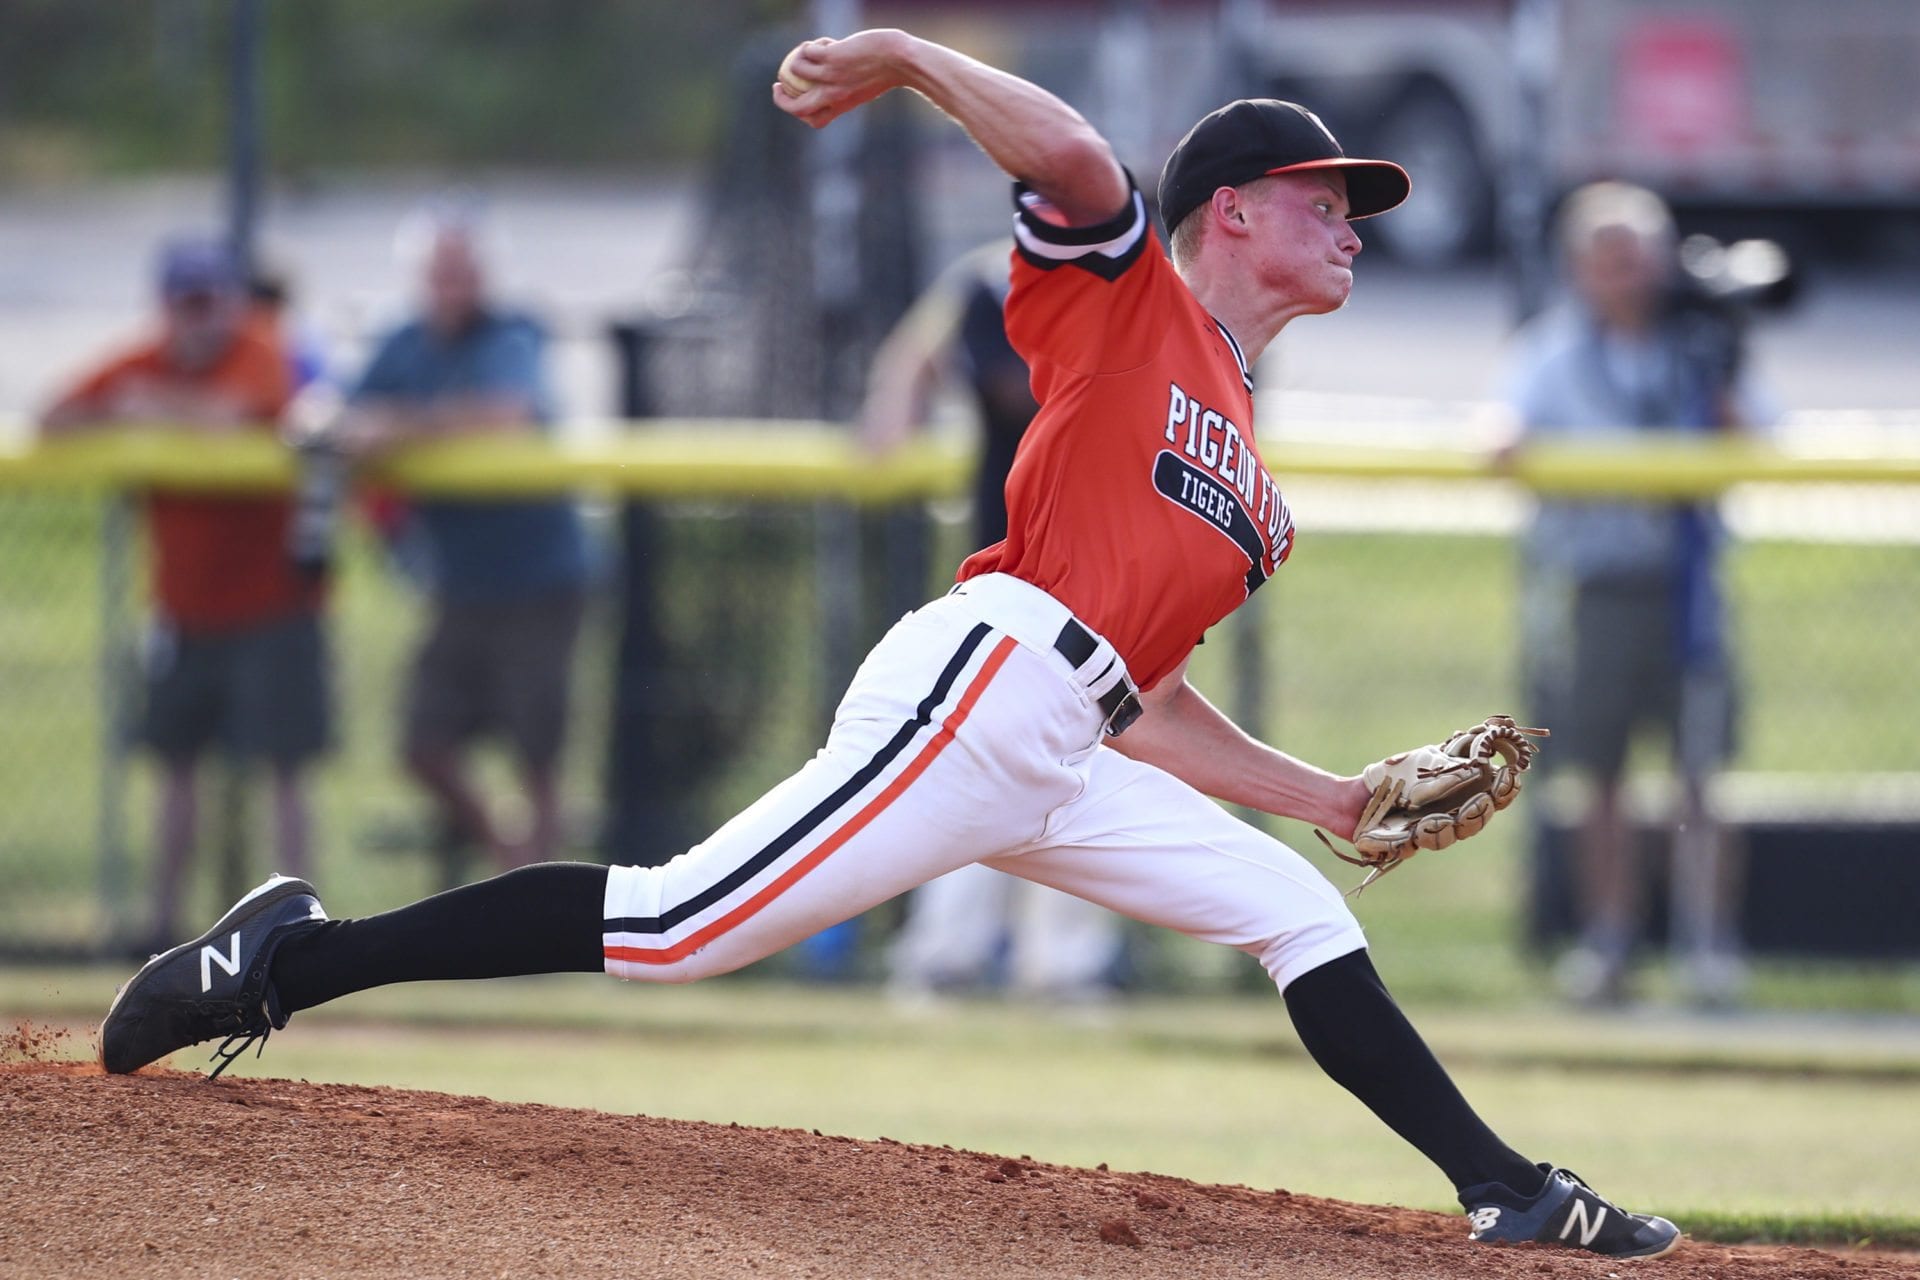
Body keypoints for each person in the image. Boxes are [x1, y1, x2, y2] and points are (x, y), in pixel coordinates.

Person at [100, 31, 1679, 1259]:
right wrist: (910, 58)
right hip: (984, 686)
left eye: (1355, 209)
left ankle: (1507, 1191)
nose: (1351, 226)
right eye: (1326, 199)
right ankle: (280, 962)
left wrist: (1325, 799)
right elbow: (1069, 156)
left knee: (1291, 908)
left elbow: (1151, 703)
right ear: (1234, 213)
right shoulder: (1131, 304)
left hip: (1065, 737)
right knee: (675, 930)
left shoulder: (1257, 487)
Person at [1504, 182, 1760, 1008]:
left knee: (1701, 776)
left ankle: (1709, 944)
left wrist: (1729, 355)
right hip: (1599, 585)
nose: (1629, 273)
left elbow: (1758, 433)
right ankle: (1607, 938)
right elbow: (1503, 426)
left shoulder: (1696, 344)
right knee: (1601, 774)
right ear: (1580, 268)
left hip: (1689, 586)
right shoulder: (1554, 350)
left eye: (1640, 254)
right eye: (1610, 257)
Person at [40, 236, 330, 946]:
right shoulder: (145, 360)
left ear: (233, 300)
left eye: (213, 300)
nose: (203, 318)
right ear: (167, 307)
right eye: (188, 302)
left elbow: (240, 411)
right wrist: (137, 405)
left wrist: (146, 406)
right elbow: (55, 418)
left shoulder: (259, 345)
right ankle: (162, 929)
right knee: (175, 769)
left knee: (284, 771)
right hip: (185, 608)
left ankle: (303, 932)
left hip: (274, 605)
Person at [863, 242, 1127, 1001]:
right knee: (974, 766)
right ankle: (943, 956)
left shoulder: (1133, 288)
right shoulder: (995, 279)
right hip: (1013, 576)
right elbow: (962, 368)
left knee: (1091, 774)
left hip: (1108, 581)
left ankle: (1065, 967)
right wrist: (893, 408)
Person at [334, 208, 592, 878]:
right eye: (439, 272)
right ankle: (512, 859)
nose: (453, 286)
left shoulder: (513, 331)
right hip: (460, 581)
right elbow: (341, 412)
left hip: (539, 576)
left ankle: (545, 900)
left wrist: (400, 427)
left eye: (464, 272)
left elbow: (508, 414)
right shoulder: (404, 342)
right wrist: (351, 427)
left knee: (536, 748)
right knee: (423, 743)